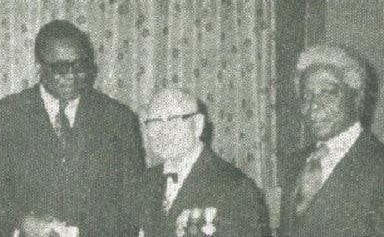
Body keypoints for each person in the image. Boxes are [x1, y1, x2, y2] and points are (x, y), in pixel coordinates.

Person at [0, 19, 145, 237]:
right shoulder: (8, 116)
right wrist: (24, 221)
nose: (71, 76)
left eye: (80, 66)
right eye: (60, 68)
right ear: (38, 67)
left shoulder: (118, 119)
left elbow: (133, 200)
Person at [129, 88, 269, 237]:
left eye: (173, 120)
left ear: (198, 125)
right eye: (155, 121)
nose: (163, 131)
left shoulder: (235, 187)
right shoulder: (145, 182)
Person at [279, 45, 384, 236]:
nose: (314, 106)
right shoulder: (295, 163)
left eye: (327, 93)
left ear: (357, 97)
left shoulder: (378, 166)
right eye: (306, 96)